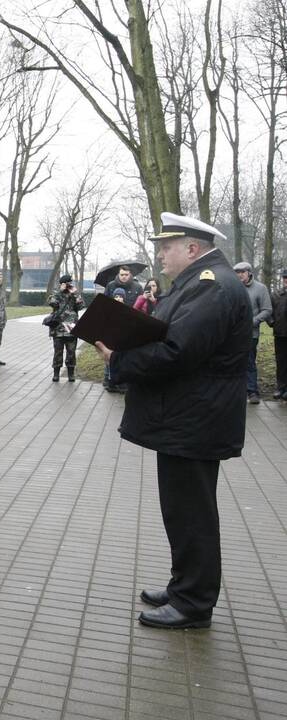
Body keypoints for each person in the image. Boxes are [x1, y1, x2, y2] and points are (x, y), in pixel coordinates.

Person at [95, 212, 251, 629]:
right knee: (182, 511)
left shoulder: (212, 288)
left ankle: (193, 602)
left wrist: (120, 358)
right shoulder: (200, 284)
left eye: (166, 247)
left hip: (196, 419)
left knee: (191, 513)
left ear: (193, 249)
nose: (160, 255)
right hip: (190, 417)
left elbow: (178, 350)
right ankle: (185, 585)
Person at [233, 261, 273, 404]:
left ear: (249, 273)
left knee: (249, 362)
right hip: (233, 334)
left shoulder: (260, 289)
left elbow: (267, 310)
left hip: (251, 333)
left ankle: (252, 392)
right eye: (237, 272)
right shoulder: (233, 288)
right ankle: (237, 391)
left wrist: (252, 322)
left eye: (242, 272)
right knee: (234, 362)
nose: (239, 275)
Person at [47, 274, 84, 382]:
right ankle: (56, 373)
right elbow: (52, 303)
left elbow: (81, 306)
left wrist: (75, 295)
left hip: (71, 327)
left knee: (71, 352)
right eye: (66, 283)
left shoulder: (74, 293)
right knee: (58, 352)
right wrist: (60, 291)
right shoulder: (56, 293)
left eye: (69, 283)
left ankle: (71, 373)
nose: (68, 285)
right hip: (58, 328)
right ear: (61, 284)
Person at [271, 269, 287, 400]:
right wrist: (273, 323)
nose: (286, 280)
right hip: (280, 334)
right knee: (281, 362)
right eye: (285, 278)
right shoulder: (276, 295)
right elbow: (269, 311)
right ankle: (280, 387)